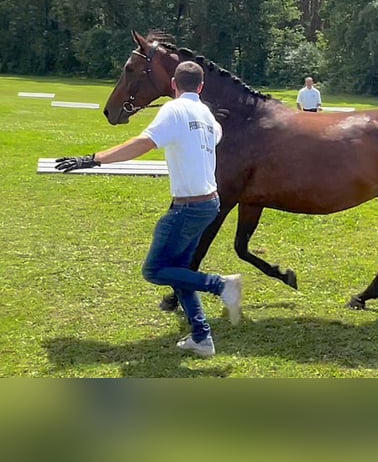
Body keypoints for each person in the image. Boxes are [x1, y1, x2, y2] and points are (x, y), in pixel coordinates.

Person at [55, 60, 242, 358]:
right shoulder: (205, 114)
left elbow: (143, 143)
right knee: (178, 271)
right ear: (201, 87)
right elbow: (217, 133)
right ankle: (201, 337)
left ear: (173, 85)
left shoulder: (175, 110)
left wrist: (93, 158)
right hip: (209, 203)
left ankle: (220, 285)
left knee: (154, 270)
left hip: (189, 207)